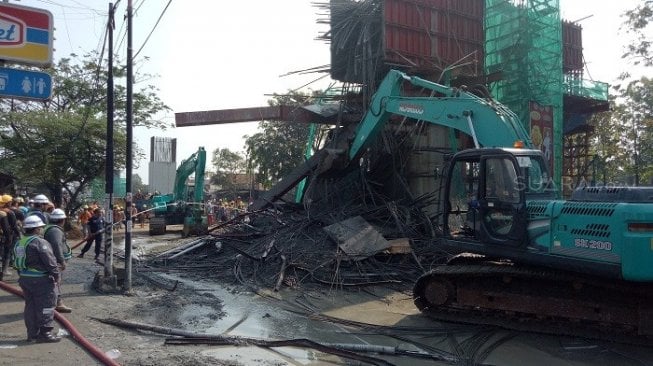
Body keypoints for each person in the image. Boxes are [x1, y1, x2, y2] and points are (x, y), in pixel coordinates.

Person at [13, 215, 61, 342]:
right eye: (40, 227)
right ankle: (45, 333)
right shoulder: (40, 242)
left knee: (30, 306)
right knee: (47, 305)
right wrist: (56, 276)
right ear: (36, 229)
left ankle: (32, 334)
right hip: (41, 280)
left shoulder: (20, 242)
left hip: (25, 279)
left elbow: (18, 263)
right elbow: (50, 262)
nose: (41, 229)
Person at [43, 209, 73, 313]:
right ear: (62, 220)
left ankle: (55, 302)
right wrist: (62, 261)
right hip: (55, 261)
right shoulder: (55, 231)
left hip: (52, 259)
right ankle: (57, 303)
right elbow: (56, 246)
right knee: (56, 281)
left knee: (55, 281)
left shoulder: (51, 228)